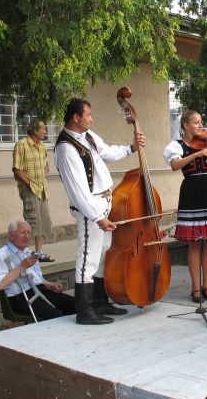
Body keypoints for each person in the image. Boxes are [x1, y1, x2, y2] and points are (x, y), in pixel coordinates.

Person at [54, 98, 144, 325]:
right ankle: (84, 311)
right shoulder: (66, 148)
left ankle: (100, 301)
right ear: (76, 117)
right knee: (89, 256)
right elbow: (77, 190)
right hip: (90, 208)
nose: (91, 119)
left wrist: (131, 148)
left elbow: (107, 152)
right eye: (88, 115)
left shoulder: (87, 136)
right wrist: (98, 217)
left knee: (104, 252)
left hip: (103, 203)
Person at [163, 111, 207, 303]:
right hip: (191, 190)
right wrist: (197, 154)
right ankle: (195, 287)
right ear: (185, 125)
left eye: (201, 122)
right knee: (194, 242)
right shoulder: (177, 146)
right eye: (197, 123)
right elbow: (175, 165)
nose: (201, 126)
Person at [0, 220, 76, 320]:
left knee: (76, 305)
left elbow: (36, 278)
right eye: (23, 232)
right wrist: (21, 267)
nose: (27, 236)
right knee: (57, 316)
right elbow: (0, 285)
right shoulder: (1, 255)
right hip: (20, 297)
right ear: (11, 235)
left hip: (39, 290)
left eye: (29, 233)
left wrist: (50, 285)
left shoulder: (28, 252)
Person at [12, 118, 54, 261]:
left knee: (43, 221)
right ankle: (21, 252)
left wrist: (47, 171)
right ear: (34, 130)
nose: (45, 132)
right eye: (43, 128)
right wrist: (29, 184)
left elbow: (46, 164)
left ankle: (38, 252)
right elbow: (17, 169)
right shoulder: (22, 145)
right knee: (32, 221)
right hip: (29, 189)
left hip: (42, 189)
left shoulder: (42, 146)